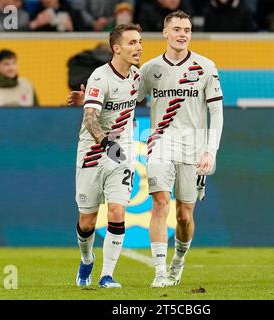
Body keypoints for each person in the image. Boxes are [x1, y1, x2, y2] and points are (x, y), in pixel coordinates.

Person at [137, 10, 224, 287]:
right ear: (165, 32)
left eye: (186, 29)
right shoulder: (150, 69)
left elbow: (217, 112)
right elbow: (130, 101)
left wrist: (211, 151)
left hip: (193, 148)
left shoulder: (206, 67)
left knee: (184, 215)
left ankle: (179, 261)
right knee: (160, 203)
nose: (182, 34)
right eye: (176, 29)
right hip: (160, 144)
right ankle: (160, 272)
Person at [67, 23, 143, 288]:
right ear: (117, 48)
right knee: (86, 221)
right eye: (132, 43)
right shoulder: (100, 76)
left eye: (140, 42)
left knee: (116, 210)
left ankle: (107, 275)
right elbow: (90, 119)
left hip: (120, 154)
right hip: (92, 153)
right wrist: (106, 142)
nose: (139, 47)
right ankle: (87, 260)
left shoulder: (137, 77)